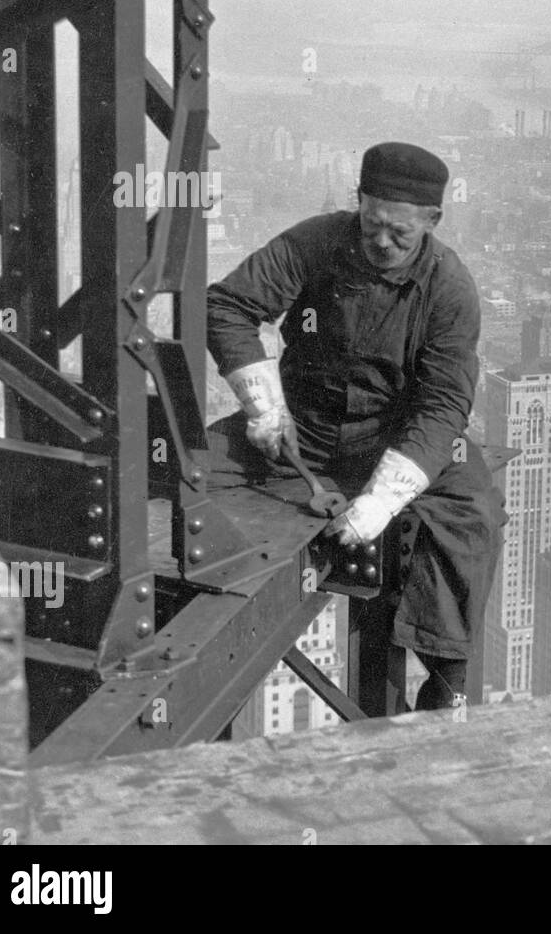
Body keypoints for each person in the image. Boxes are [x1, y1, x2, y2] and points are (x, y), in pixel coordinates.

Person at [206, 142, 506, 712]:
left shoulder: (449, 288)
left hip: (391, 441)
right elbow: (229, 307)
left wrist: (380, 503)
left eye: (399, 232)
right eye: (371, 224)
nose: (381, 242)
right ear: (358, 203)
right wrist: (264, 407)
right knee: (188, 466)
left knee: (473, 513)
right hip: (302, 429)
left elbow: (443, 406)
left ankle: (446, 680)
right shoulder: (314, 242)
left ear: (432, 222)